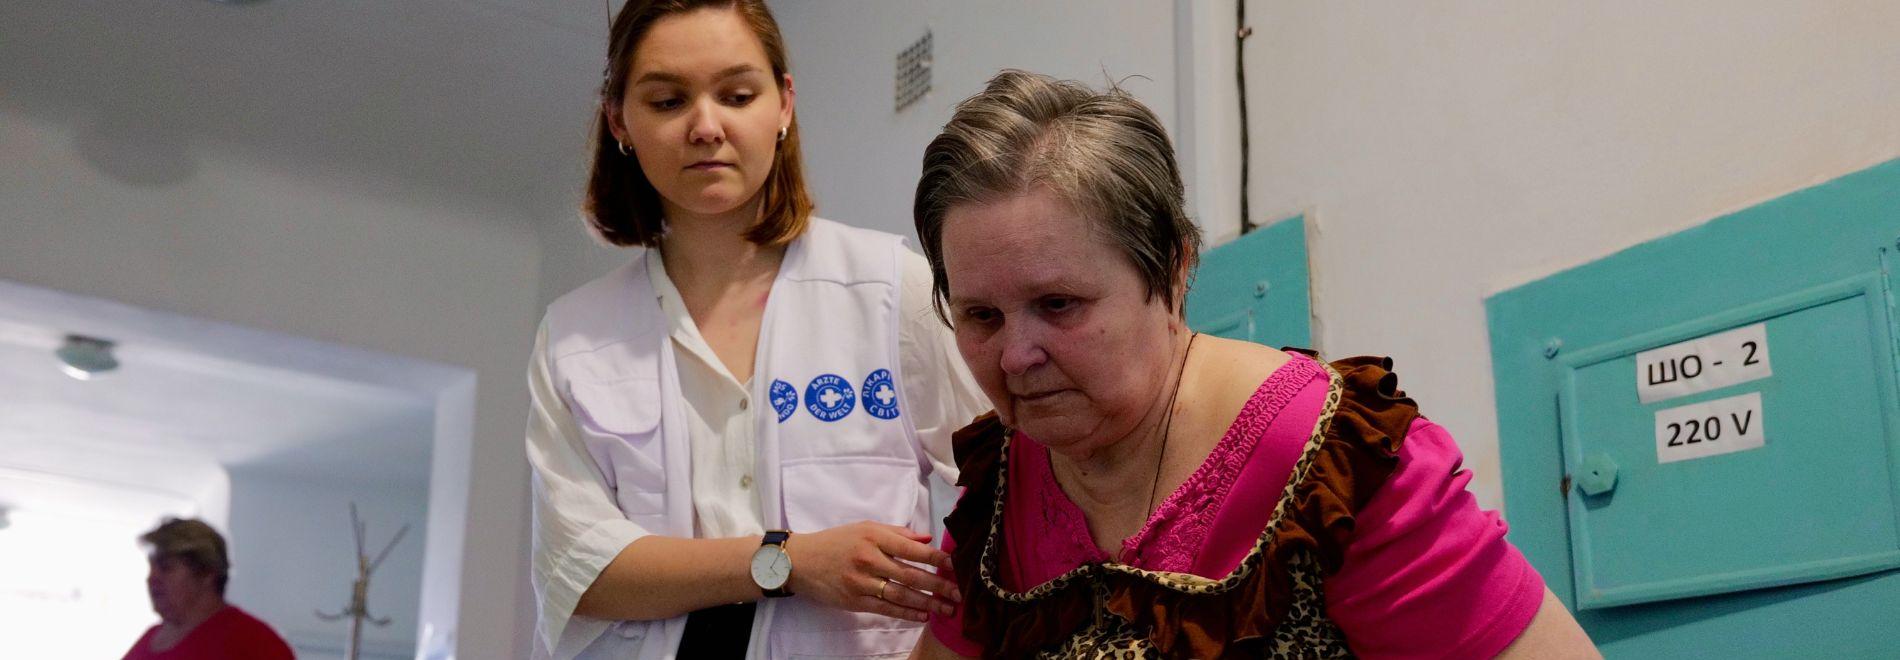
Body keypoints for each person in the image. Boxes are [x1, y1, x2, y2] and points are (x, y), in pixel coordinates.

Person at [907, 70, 1601, 659]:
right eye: (981, 317)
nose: (1017, 357)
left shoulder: (1329, 463)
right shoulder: (999, 492)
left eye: (1058, 304)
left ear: (1174, 270)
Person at [525, 1, 987, 658]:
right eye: (666, 102)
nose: (706, 126)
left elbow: (1012, 485)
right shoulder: (575, 338)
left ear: (784, 105)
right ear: (619, 121)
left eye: (738, 95)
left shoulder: (890, 290)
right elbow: (580, 568)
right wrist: (787, 562)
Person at [122, 518, 294, 660]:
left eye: (166, 568)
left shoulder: (254, 643)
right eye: (151, 568)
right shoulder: (149, 639)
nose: (152, 578)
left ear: (206, 573)